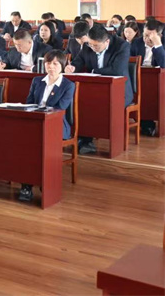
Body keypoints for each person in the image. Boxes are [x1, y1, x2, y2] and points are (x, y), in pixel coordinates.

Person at [66, 24, 132, 154]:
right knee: (81, 102)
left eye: (96, 46)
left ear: (106, 42)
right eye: (90, 45)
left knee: (101, 105)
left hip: (120, 91)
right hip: (95, 89)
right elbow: (79, 61)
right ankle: (84, 138)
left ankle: (94, 139)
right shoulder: (88, 45)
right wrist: (72, 67)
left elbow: (117, 70)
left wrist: (93, 71)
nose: (92, 48)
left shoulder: (121, 46)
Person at [20, 50, 76, 202]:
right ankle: (26, 184)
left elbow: (60, 108)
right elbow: (29, 102)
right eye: (48, 63)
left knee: (40, 146)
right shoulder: (37, 81)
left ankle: (45, 183)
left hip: (56, 125)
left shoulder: (68, 85)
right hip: (36, 122)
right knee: (24, 144)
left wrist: (41, 111)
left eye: (55, 64)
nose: (51, 67)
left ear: (62, 66)